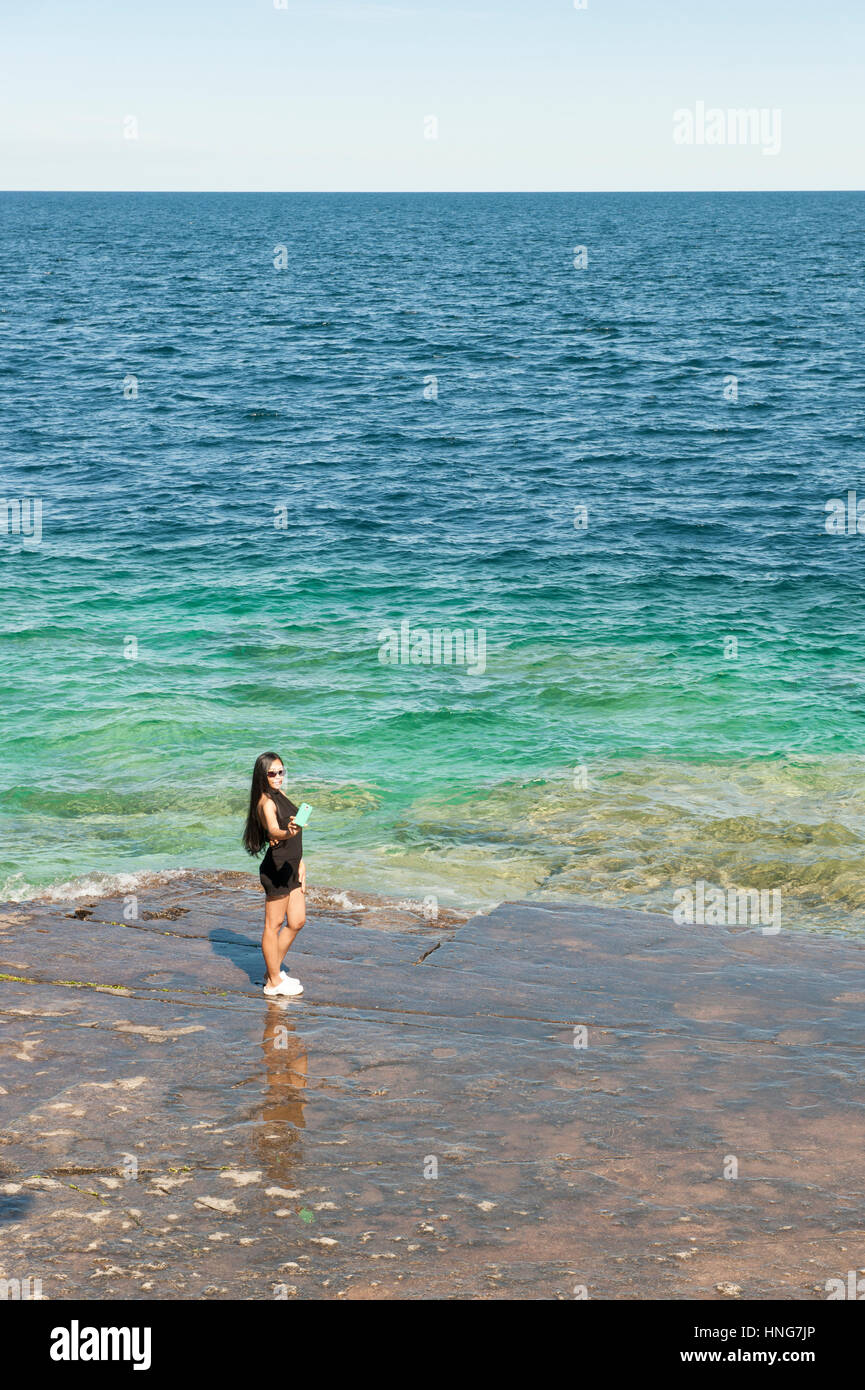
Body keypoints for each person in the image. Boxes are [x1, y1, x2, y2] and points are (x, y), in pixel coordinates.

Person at [242, 751, 307, 998]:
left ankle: (273, 972)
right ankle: (273, 983)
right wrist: (287, 833)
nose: (278, 777)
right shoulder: (265, 802)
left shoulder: (279, 794)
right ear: (263, 775)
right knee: (273, 925)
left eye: (281, 772)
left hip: (292, 867)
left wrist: (302, 863)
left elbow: (294, 834)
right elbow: (273, 830)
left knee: (298, 920)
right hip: (277, 868)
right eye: (272, 773)